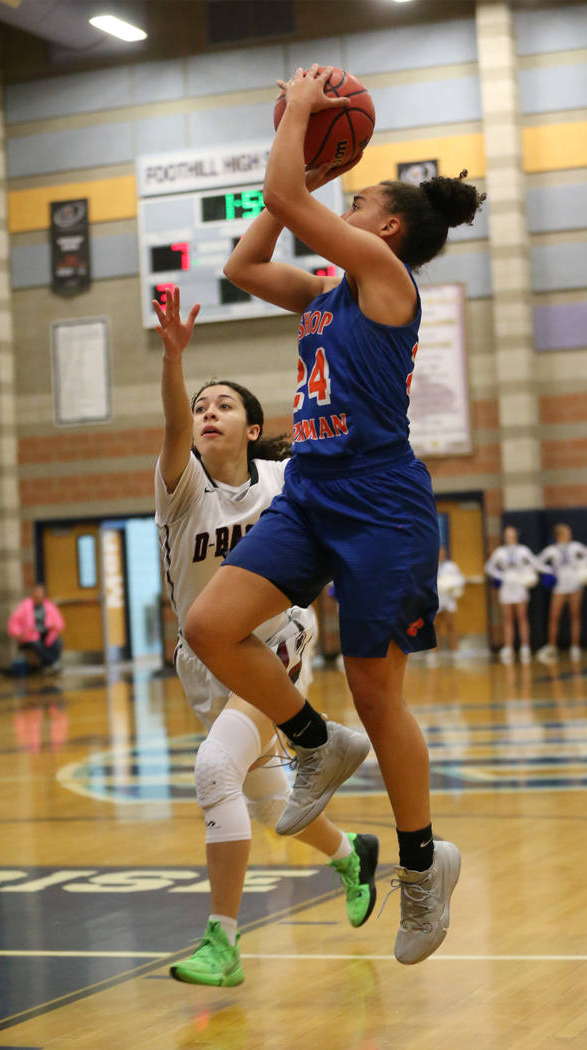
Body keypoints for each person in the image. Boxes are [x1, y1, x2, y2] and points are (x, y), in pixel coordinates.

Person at [183, 65, 485, 966]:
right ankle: (317, 743)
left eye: (354, 202)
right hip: (314, 490)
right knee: (210, 626)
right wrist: (305, 178)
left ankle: (423, 867)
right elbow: (240, 266)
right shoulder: (325, 295)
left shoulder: (386, 276)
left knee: (377, 688)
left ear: (387, 229)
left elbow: (281, 193)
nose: (340, 209)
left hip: (381, 501)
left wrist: (302, 123)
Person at [153, 286, 378, 987]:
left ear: (253, 429)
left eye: (222, 405)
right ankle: (351, 854)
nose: (206, 413)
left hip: (277, 641)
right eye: (201, 406)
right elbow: (171, 423)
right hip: (203, 658)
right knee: (269, 801)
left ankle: (223, 944)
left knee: (213, 770)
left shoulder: (285, 481)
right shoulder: (181, 486)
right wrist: (174, 359)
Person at [484, 525, 545, 664]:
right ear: (504, 537)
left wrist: (548, 570)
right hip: (506, 587)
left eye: (512, 535)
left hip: (519, 586)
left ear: (516, 536)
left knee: (522, 617)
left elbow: (536, 564)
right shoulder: (500, 552)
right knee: (507, 619)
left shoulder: (523, 550)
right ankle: (509, 647)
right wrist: (501, 576)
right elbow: (488, 567)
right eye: (507, 535)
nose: (510, 537)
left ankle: (525, 647)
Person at [536, 523, 587, 664]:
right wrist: (550, 570)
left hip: (575, 585)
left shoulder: (575, 547)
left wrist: (581, 566)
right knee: (554, 617)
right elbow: (537, 562)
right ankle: (552, 646)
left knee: (575, 616)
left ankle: (575, 647)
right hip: (560, 586)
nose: (569, 535)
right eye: (566, 532)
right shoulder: (552, 550)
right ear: (559, 535)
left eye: (569, 532)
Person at [7, 584, 64, 672]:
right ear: (32, 593)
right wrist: (18, 633)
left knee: (57, 643)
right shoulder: (25, 606)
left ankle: (50, 665)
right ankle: (51, 664)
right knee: (37, 645)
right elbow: (14, 621)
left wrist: (54, 626)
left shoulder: (49, 605)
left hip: (47, 634)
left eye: (40, 592)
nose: (38, 595)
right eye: (36, 592)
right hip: (30, 635)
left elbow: (58, 621)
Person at [428, 546, 466, 664]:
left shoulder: (451, 567)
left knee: (451, 625)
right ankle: (433, 652)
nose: (441, 554)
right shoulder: (430, 566)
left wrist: (452, 586)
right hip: (436, 600)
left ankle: (455, 650)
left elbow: (461, 579)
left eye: (442, 552)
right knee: (435, 627)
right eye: (439, 552)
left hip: (448, 600)